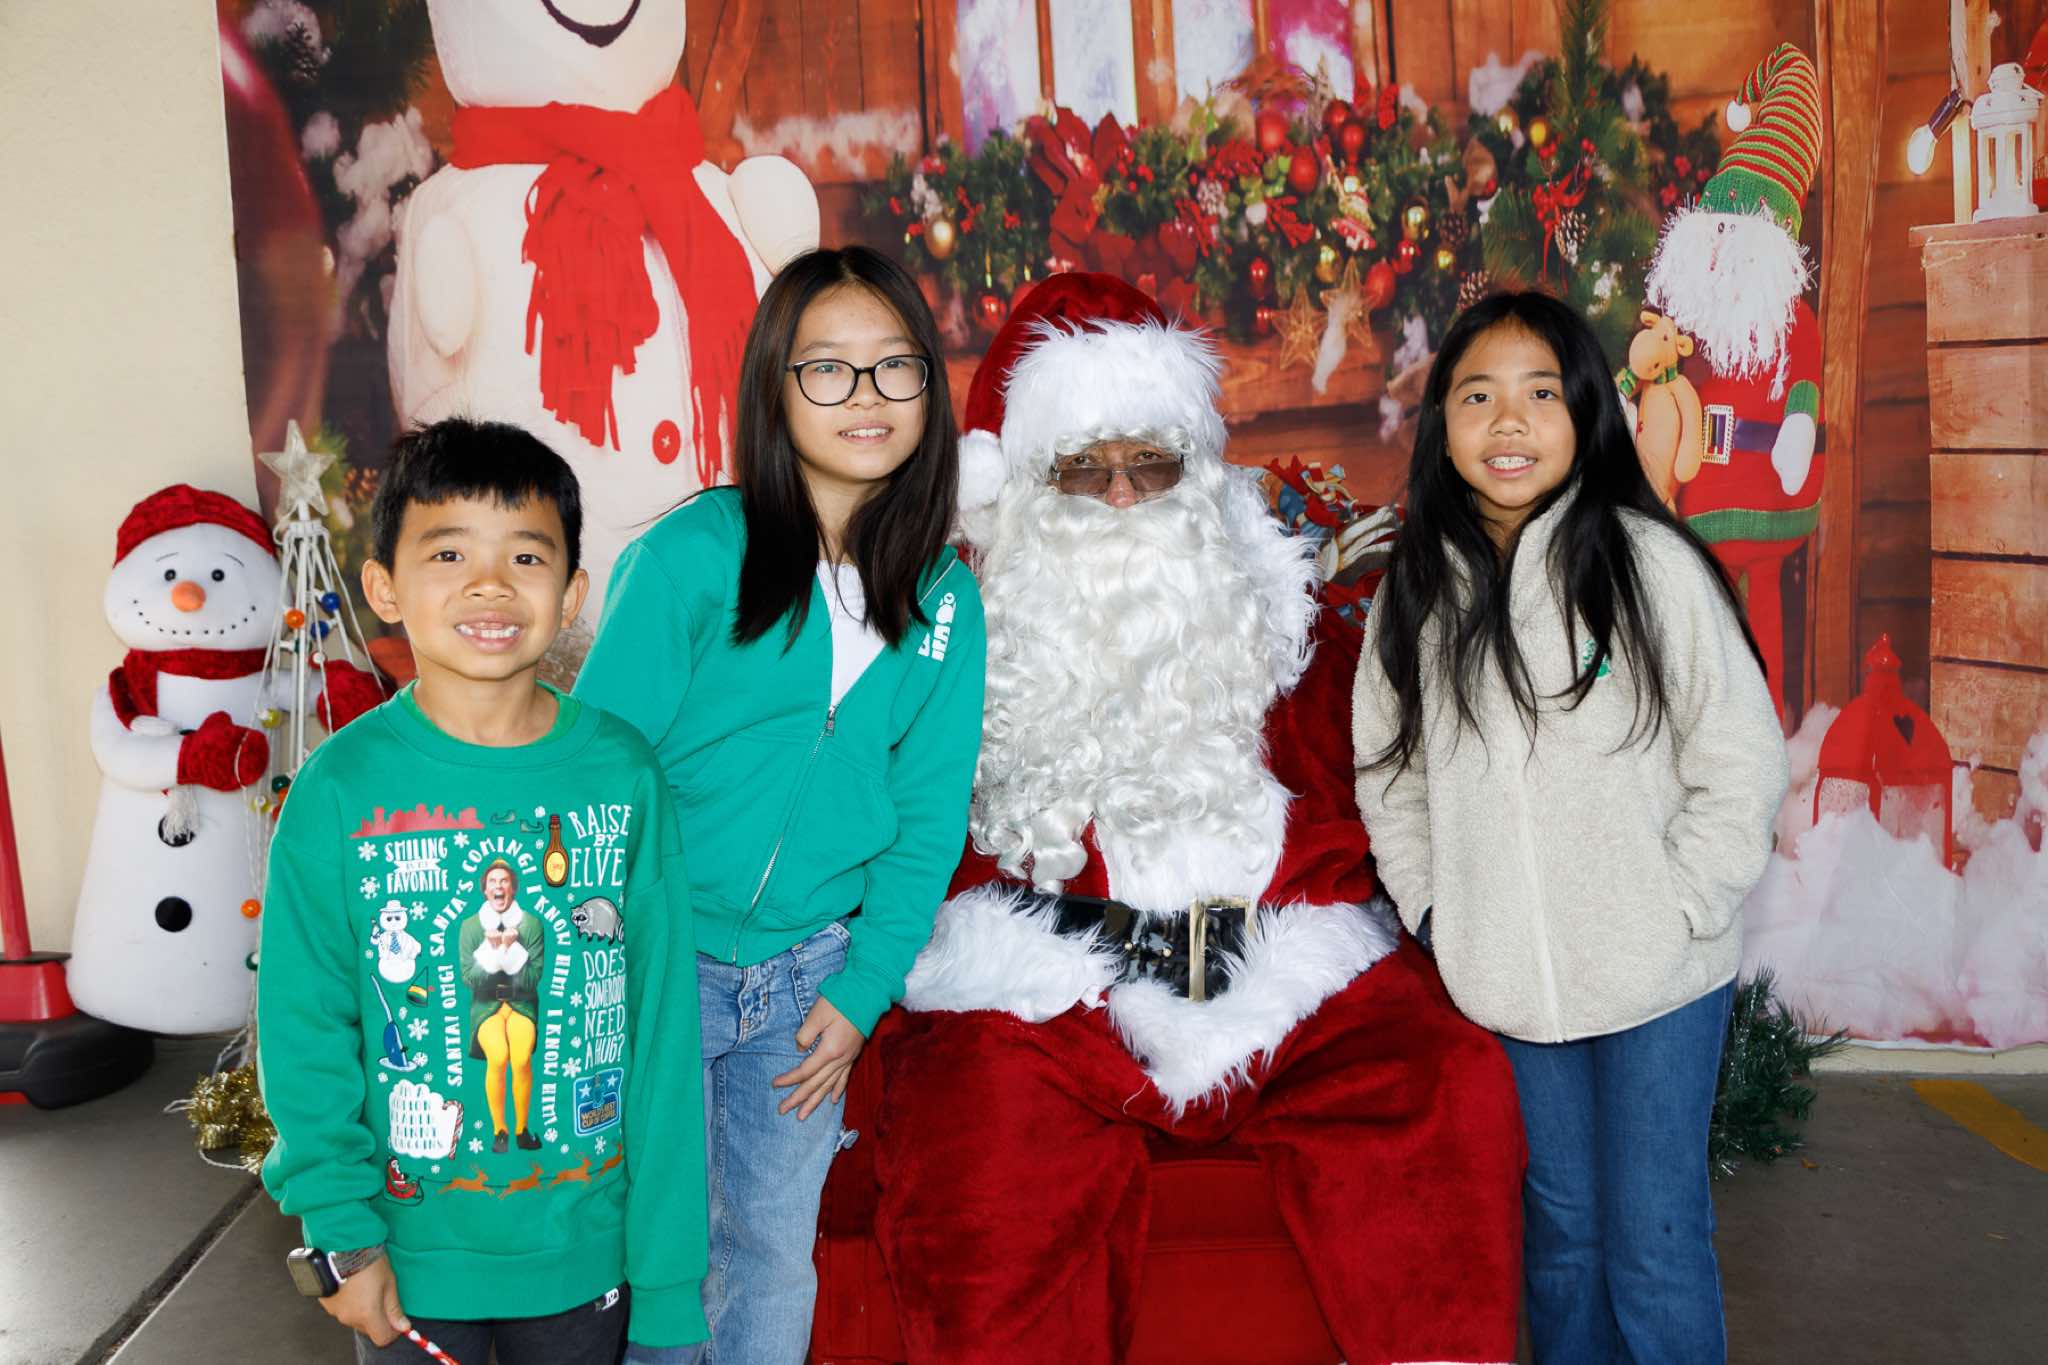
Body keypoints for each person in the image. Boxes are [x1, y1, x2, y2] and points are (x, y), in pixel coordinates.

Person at [869, 272, 1525, 1365]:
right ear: (1020, 486)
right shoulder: (956, 637)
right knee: (978, 1150)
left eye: (1152, 462)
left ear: (1197, 472)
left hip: (1279, 971)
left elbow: (1382, 788)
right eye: (1084, 468)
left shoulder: (1277, 623)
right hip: (1048, 996)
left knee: (1444, 1079)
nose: (1124, 495)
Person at [1352, 291, 1789, 1365]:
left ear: (1585, 410)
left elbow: (1738, 756)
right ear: (1441, 426)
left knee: (1652, 1246)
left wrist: (1679, 904)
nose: (1508, 421)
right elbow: (1390, 776)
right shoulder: (1415, 594)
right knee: (1561, 1242)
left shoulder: (1646, 567)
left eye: (1539, 393)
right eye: (1477, 397)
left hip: (1659, 980)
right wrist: (1439, 913)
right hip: (1507, 984)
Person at [575, 245, 986, 1362]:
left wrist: (861, 990)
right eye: (828, 369)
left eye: (894, 366)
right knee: (658, 1255)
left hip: (808, 983)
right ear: (775, 387)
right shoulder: (693, 555)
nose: (865, 396)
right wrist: (612, 963)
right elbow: (598, 778)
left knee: (770, 1253)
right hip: (661, 967)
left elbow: (925, 821)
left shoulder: (944, 596)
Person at [258, 418, 708, 1365]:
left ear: (572, 593)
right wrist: (344, 1233)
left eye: (526, 555)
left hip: (585, 1259)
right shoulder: (340, 788)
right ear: (384, 586)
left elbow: (663, 1037)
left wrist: (667, 1280)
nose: (490, 583)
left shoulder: (624, 774)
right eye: (449, 552)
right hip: (407, 1263)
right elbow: (304, 1026)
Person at [461, 858, 544, 1152]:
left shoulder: (531, 925)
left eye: (504, 881)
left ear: (513, 888)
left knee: (520, 1059)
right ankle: (500, 1130)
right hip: (486, 1008)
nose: (499, 886)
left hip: (521, 1004)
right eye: (493, 882)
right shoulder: (470, 927)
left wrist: (512, 948)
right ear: (485, 890)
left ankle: (522, 1130)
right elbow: (469, 977)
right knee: (497, 1057)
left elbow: (532, 978)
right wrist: (493, 951)